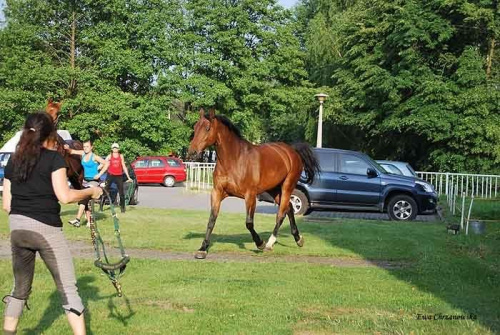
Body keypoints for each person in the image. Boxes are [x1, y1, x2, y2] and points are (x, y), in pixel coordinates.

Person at [2, 112, 102, 335]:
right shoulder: (53, 158)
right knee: (68, 288)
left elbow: (7, 205)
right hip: (46, 230)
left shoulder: (13, 161)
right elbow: (65, 196)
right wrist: (92, 191)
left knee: (19, 289)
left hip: (17, 229)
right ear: (50, 135)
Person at [64, 141, 109, 227]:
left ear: (91, 147)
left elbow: (106, 163)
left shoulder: (94, 157)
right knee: (85, 201)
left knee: (83, 198)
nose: (85, 148)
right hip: (85, 181)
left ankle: (77, 220)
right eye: (84, 146)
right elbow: (72, 151)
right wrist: (67, 148)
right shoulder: (82, 153)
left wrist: (99, 174)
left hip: (93, 181)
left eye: (87, 146)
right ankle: (89, 222)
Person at [105, 143, 132, 213]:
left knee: (121, 193)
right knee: (105, 190)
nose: (115, 149)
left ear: (118, 149)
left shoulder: (121, 156)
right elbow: (104, 163)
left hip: (119, 175)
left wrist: (128, 177)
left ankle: (122, 208)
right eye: (114, 148)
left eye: (116, 148)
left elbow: (123, 166)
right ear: (111, 149)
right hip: (110, 174)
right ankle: (101, 207)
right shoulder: (109, 156)